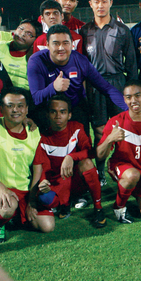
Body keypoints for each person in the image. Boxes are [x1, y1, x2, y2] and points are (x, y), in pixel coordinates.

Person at [0, 87, 52, 243]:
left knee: (47, 225)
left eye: (20, 106)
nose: (15, 110)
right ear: (1, 109)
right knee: (8, 207)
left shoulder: (34, 132)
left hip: (23, 190)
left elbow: (37, 167)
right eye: (10, 105)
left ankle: (13, 217)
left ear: (26, 109)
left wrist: (31, 200)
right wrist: (1, 189)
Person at [80, 0, 137, 183]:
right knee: (99, 131)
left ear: (111, 3)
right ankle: (100, 170)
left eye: (104, 1)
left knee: (123, 129)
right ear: (90, 4)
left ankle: (123, 165)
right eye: (96, 2)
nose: (100, 5)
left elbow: (131, 63)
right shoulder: (84, 31)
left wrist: (131, 91)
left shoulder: (122, 30)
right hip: (95, 86)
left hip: (117, 84)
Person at [28, 25, 127, 134]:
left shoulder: (81, 61)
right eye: (56, 43)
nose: (61, 48)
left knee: (84, 137)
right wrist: (53, 87)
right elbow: (36, 98)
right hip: (49, 110)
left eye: (65, 43)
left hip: (75, 107)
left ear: (72, 45)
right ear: (47, 45)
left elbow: (106, 88)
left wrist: (128, 109)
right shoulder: (37, 61)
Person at [96, 80, 141, 223]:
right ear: (124, 99)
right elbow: (100, 155)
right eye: (128, 97)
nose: (133, 101)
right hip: (122, 166)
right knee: (132, 175)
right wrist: (109, 139)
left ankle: (130, 190)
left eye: (137, 95)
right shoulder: (116, 122)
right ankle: (119, 207)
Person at [39, 94, 105, 227]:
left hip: (76, 180)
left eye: (62, 112)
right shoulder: (42, 138)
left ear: (69, 115)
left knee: (87, 163)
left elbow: (90, 152)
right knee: (44, 198)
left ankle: (98, 208)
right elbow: (42, 166)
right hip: (57, 182)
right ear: (48, 115)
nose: (58, 116)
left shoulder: (77, 128)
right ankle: (65, 203)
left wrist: (71, 157)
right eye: (53, 112)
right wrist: (43, 181)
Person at [0, 19, 42, 90]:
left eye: (29, 34)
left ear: (35, 39)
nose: (22, 34)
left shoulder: (35, 58)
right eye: (21, 29)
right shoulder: (1, 46)